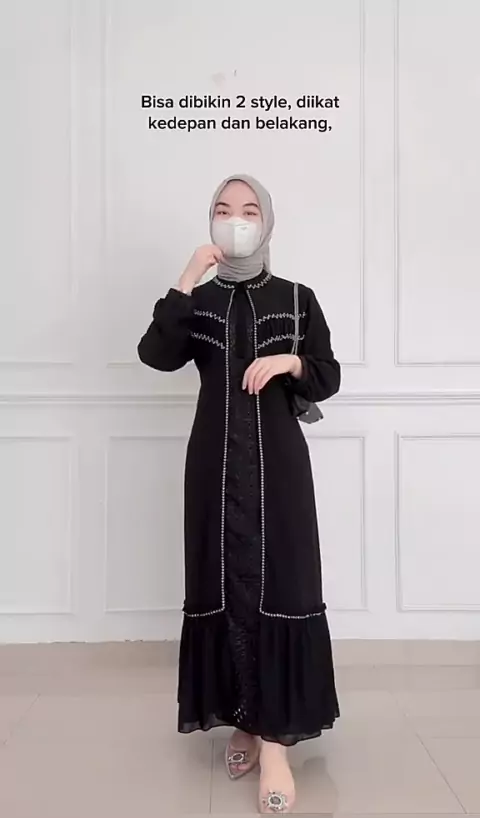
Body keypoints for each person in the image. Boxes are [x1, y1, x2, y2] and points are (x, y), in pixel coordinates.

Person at [137, 174, 341, 814]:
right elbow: (155, 354)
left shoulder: (297, 298)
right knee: (223, 585)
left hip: (280, 470)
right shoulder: (198, 302)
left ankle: (275, 743)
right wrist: (186, 276)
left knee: (282, 587)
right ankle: (244, 721)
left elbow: (328, 375)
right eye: (224, 210)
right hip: (215, 468)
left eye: (249, 210)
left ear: (267, 221)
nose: (237, 220)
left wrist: (290, 362)